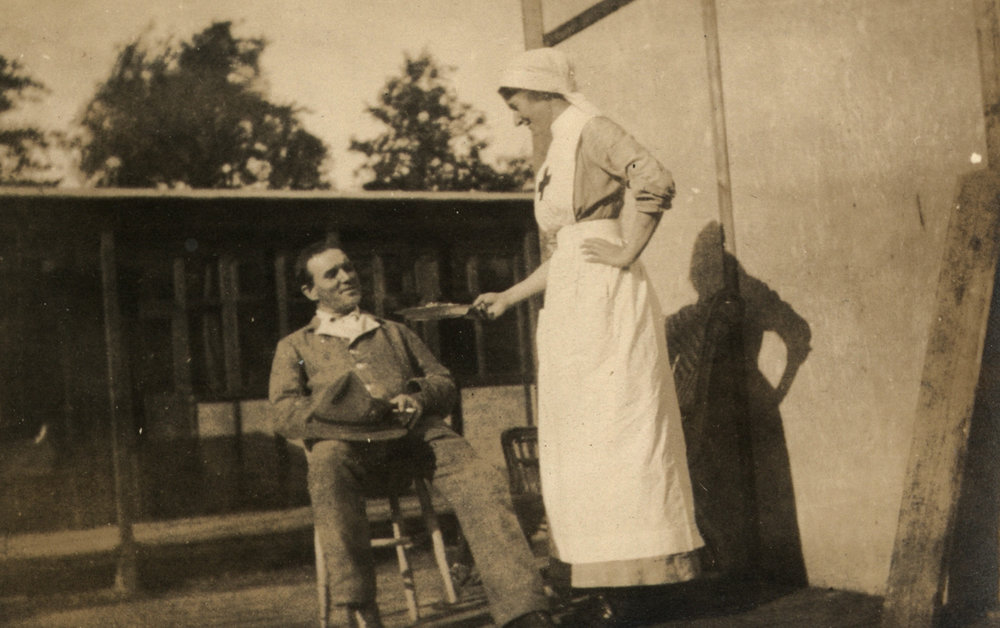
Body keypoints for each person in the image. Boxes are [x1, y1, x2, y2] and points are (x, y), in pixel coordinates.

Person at [472, 47, 705, 623]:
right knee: (581, 442)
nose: (515, 115)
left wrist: (629, 248)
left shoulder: (594, 129)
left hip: (606, 301)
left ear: (545, 90)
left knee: (622, 430)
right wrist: (509, 296)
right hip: (572, 304)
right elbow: (569, 248)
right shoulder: (556, 151)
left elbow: (654, 178)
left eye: (517, 101)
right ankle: (609, 584)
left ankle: (645, 585)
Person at [269, 239, 555, 628]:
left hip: (417, 439)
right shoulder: (295, 346)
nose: (346, 277)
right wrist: (345, 414)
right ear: (309, 291)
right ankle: (354, 609)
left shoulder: (394, 332)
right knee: (325, 461)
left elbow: (444, 382)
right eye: (331, 273)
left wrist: (417, 397)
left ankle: (523, 609)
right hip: (351, 450)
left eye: (349, 268)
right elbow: (285, 413)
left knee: (480, 477)